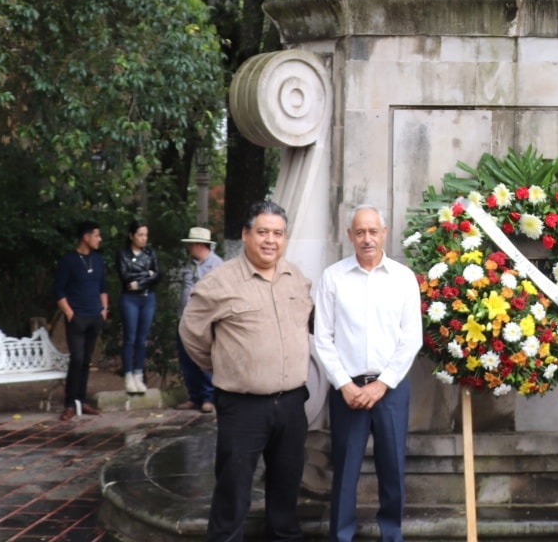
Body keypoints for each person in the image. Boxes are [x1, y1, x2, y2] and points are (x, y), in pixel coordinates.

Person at [181, 201, 313, 542]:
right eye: (263, 232)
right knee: (233, 491)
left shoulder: (295, 277)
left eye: (278, 233)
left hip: (291, 404)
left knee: (286, 488)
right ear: (245, 234)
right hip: (243, 407)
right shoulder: (220, 281)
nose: (271, 240)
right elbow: (191, 334)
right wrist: (224, 365)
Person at [312, 206, 421, 542]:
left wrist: (383, 383)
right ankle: (341, 536)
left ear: (384, 233)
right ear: (350, 236)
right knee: (344, 470)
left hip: (390, 389)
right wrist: (343, 383)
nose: (367, 238)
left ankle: (392, 534)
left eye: (373, 231)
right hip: (347, 391)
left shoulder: (403, 278)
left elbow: (411, 337)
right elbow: (322, 338)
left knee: (393, 468)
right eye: (360, 232)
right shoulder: (333, 277)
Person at [54, 219, 108, 421]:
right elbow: (59, 291)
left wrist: (104, 309)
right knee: (76, 359)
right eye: (96, 235)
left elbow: (103, 287)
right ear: (86, 237)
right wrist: (69, 314)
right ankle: (69, 403)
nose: (99, 239)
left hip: (95, 315)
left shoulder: (98, 260)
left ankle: (82, 400)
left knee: (86, 360)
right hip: (77, 317)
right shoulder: (69, 261)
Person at [175, 226, 222, 414]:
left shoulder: (217, 265)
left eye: (191, 244)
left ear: (199, 245)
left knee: (202, 359)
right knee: (186, 359)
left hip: (203, 322)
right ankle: (194, 396)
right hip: (184, 319)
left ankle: (209, 397)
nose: (189, 248)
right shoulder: (189, 264)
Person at [116, 220, 160, 395]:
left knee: (142, 338)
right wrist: (147, 275)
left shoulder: (150, 253)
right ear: (131, 235)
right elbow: (125, 276)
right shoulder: (123, 254)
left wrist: (139, 280)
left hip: (147, 297)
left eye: (145, 235)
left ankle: (138, 374)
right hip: (130, 299)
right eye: (140, 235)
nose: (143, 239)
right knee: (130, 337)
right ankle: (128, 375)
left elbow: (158, 275)